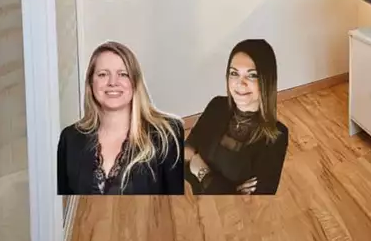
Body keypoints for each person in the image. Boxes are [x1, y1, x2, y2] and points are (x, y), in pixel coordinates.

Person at [57, 41, 185, 195]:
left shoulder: (167, 134)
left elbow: (177, 206)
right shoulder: (70, 138)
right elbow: (62, 205)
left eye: (123, 74)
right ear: (91, 83)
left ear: (135, 82)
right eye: (103, 74)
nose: (113, 82)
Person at [185, 39, 288, 195]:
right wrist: (231, 190)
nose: (240, 83)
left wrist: (202, 172)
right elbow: (185, 154)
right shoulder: (217, 105)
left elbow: (256, 201)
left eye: (252, 75)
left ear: (266, 80)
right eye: (234, 73)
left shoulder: (276, 135)